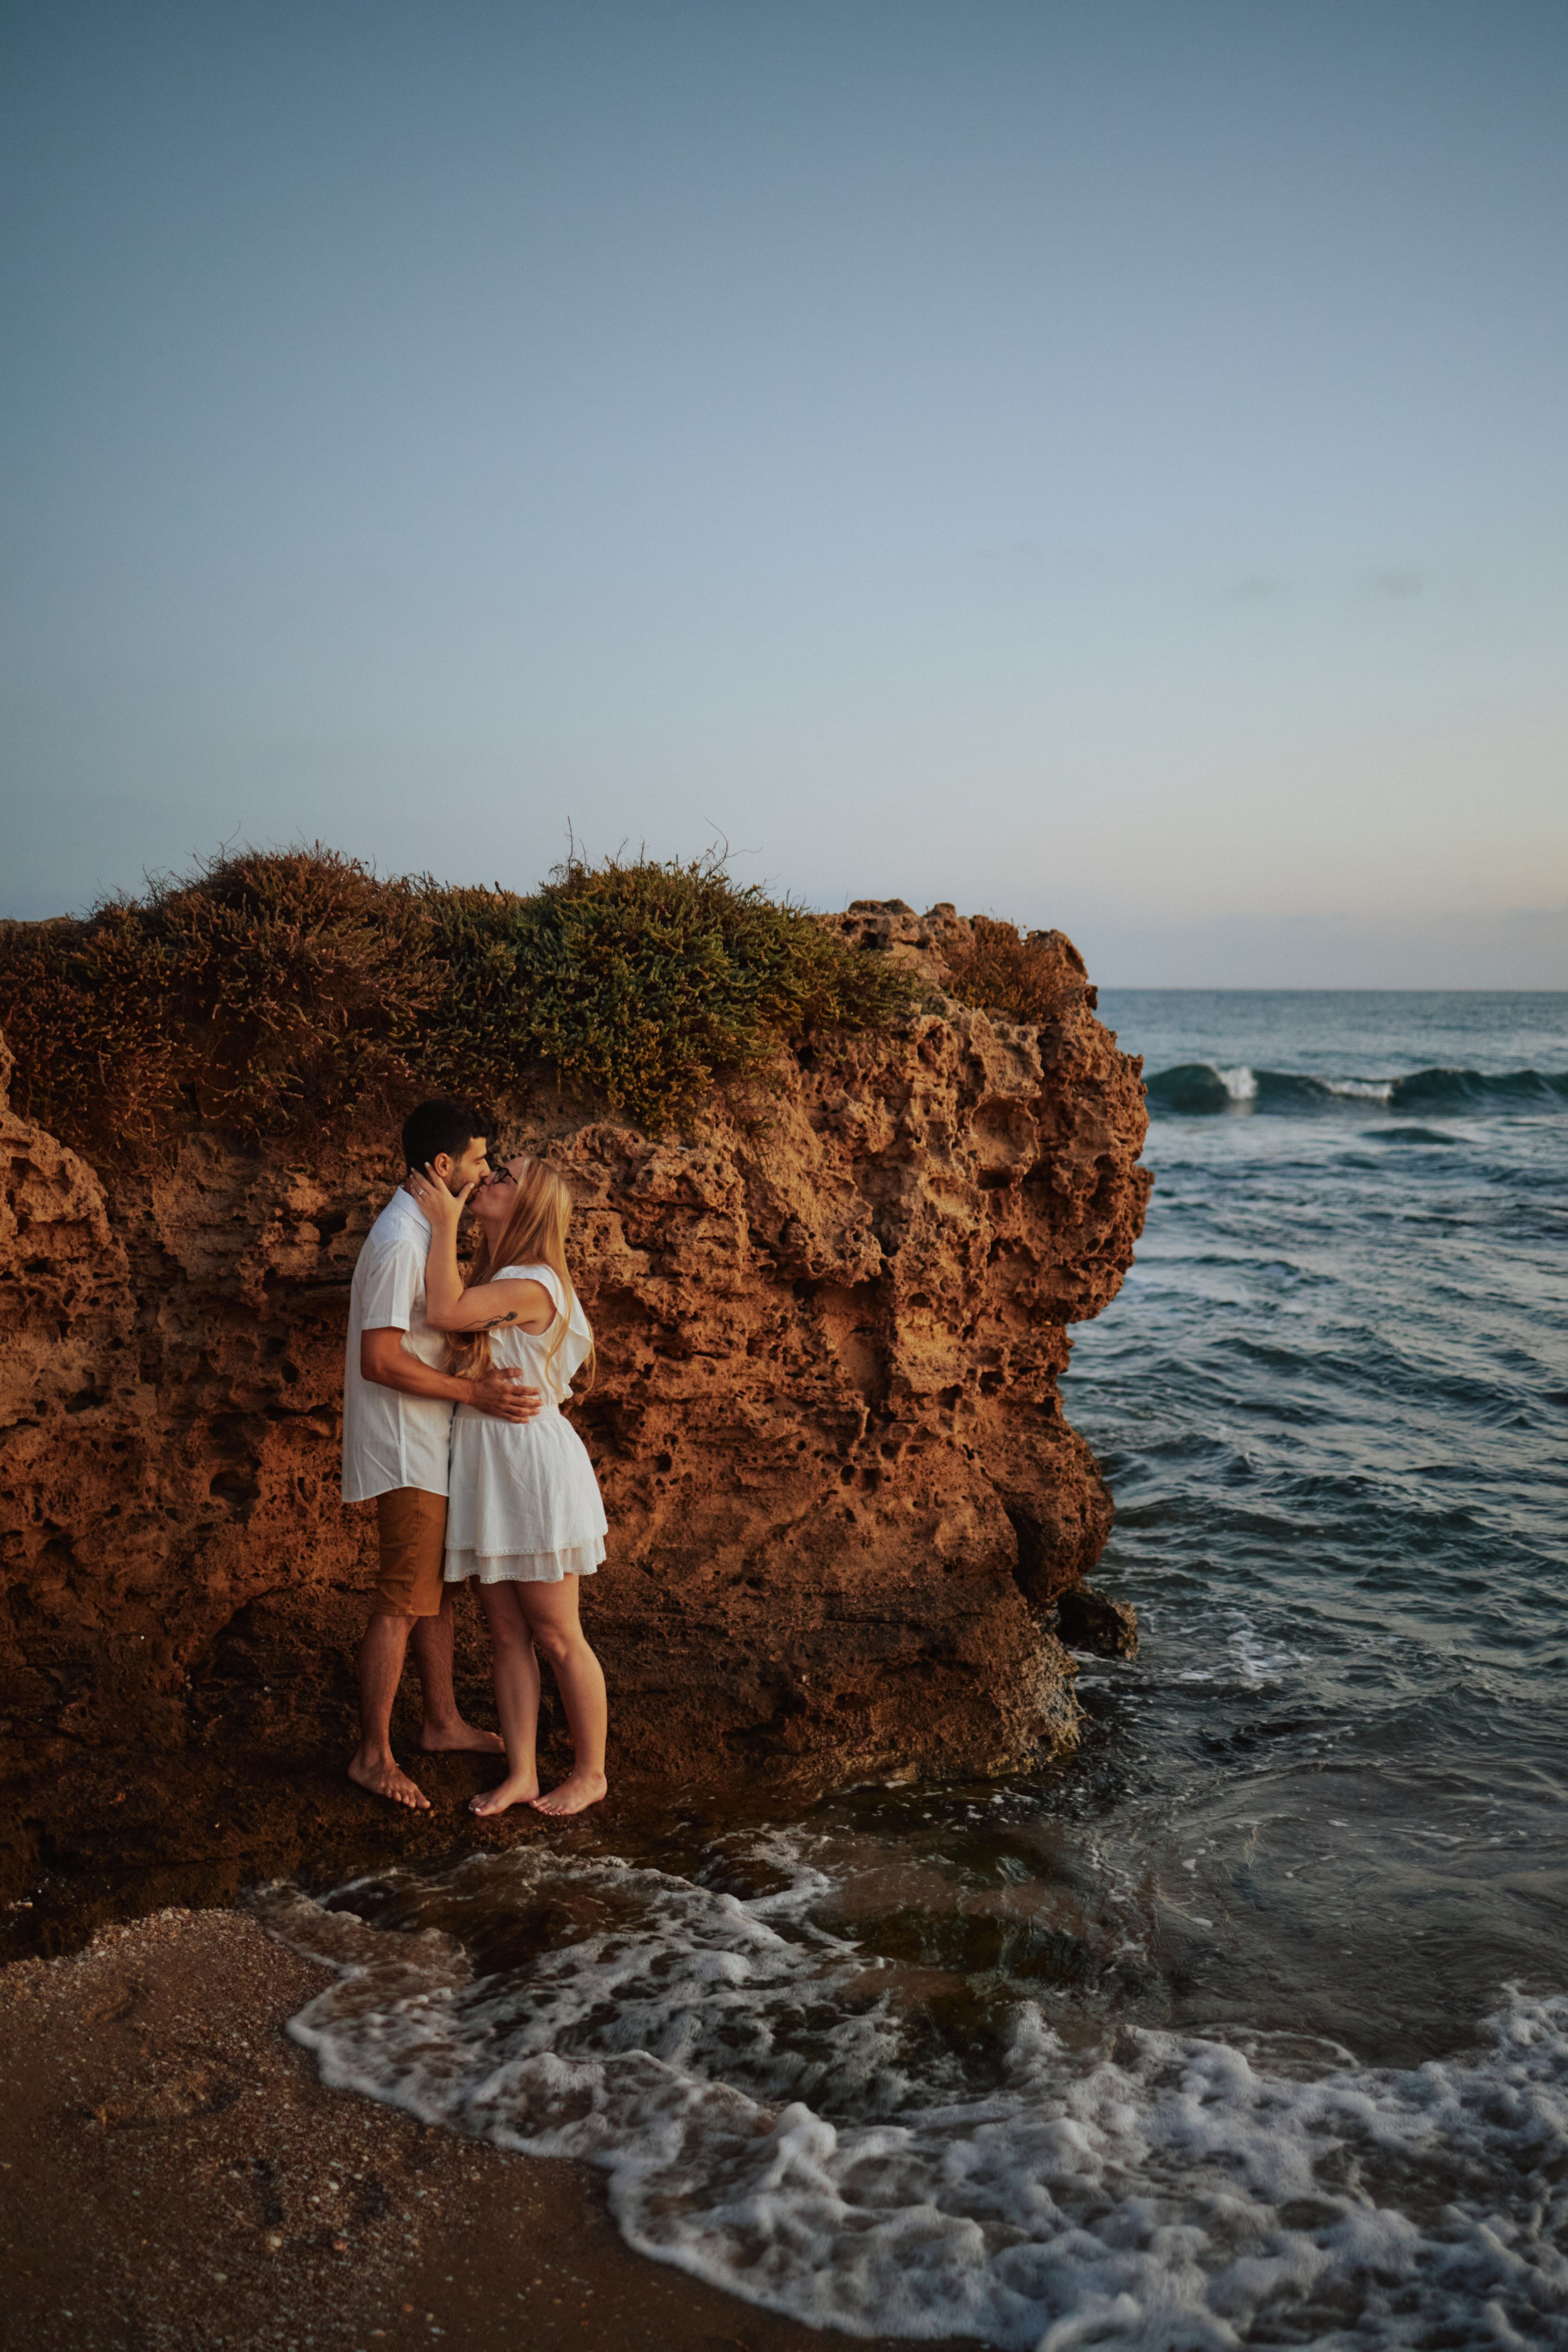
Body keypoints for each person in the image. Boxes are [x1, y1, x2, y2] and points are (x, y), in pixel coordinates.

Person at [342, 1100, 542, 1810]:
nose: (486, 1169)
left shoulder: (424, 1224)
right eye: (479, 1159)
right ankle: (372, 1754)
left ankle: (442, 1721)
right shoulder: (401, 1238)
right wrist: (473, 1393)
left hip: (433, 1442)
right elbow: (380, 1360)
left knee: (436, 1596)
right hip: (408, 1447)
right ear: (441, 1166)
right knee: (401, 1601)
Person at [408, 1152, 609, 1817]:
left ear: (529, 1206)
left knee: (556, 1633)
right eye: (490, 1172)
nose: (488, 1179)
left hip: (531, 1466)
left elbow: (443, 1311)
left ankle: (590, 1772)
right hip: (487, 1464)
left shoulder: (532, 1283)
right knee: (505, 1635)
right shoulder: (497, 1276)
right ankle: (522, 1771)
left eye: (504, 1178)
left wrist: (443, 1218)